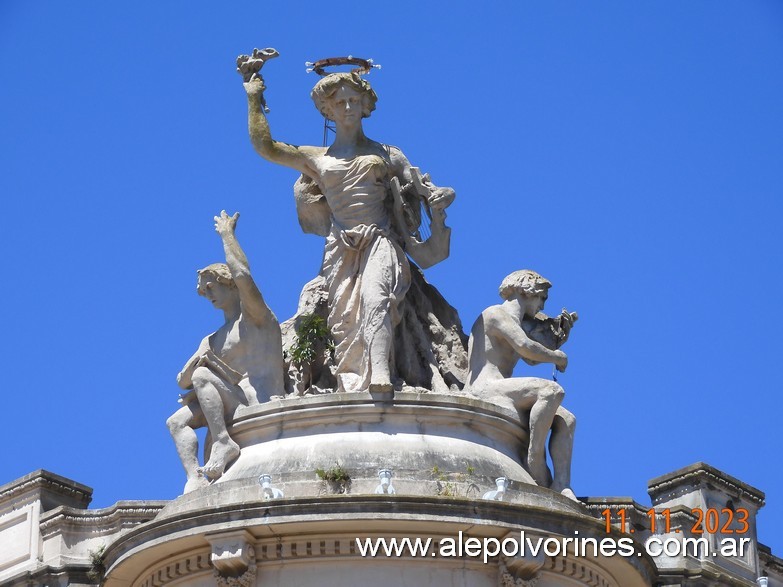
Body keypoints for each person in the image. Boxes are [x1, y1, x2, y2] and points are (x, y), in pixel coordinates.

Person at [242, 69, 457, 393]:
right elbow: (267, 147)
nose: (347, 107)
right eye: (339, 102)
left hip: (380, 241)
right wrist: (254, 98)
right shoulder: (316, 158)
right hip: (340, 247)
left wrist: (445, 195)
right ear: (327, 108)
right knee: (343, 319)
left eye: (353, 100)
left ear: (365, 104)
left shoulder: (387, 154)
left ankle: (381, 373)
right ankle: (352, 381)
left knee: (376, 298)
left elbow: (425, 188)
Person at [167, 211, 284, 493]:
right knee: (176, 421)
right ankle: (194, 477)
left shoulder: (257, 319)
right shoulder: (213, 339)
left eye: (212, 286)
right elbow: (182, 380)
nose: (208, 294)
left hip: (259, 398)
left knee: (203, 377)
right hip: (232, 400)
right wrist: (202, 360)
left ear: (228, 282)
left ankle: (223, 441)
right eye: (204, 291)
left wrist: (227, 236)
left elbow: (243, 274)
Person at [466, 270, 577, 499]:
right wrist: (556, 356)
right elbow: (525, 347)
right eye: (542, 298)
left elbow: (529, 357)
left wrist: (558, 338)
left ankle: (562, 485)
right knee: (551, 390)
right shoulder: (495, 314)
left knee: (567, 419)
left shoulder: (517, 322)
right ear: (527, 290)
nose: (542, 307)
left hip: (503, 390)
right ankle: (535, 458)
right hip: (485, 388)